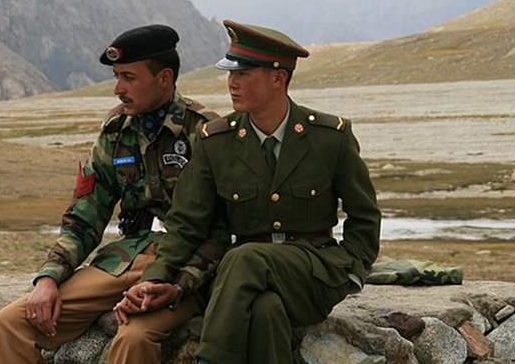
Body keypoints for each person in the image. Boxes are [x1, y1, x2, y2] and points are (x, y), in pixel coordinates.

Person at [133, 19, 381, 364]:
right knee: (265, 310)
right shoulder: (216, 141)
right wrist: (155, 277)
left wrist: (353, 269)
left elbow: (364, 214)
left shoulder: (330, 136)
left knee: (243, 256)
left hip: (313, 273)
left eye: (244, 74)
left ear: (279, 78)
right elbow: (187, 223)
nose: (232, 83)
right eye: (231, 74)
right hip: (245, 281)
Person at [0, 24, 226, 363]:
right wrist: (48, 276)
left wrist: (179, 285)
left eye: (129, 77)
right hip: (124, 260)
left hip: (184, 269)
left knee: (133, 338)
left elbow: (222, 229)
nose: (118, 88)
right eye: (117, 76)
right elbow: (85, 216)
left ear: (164, 78)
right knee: (10, 323)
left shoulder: (203, 132)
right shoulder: (116, 132)